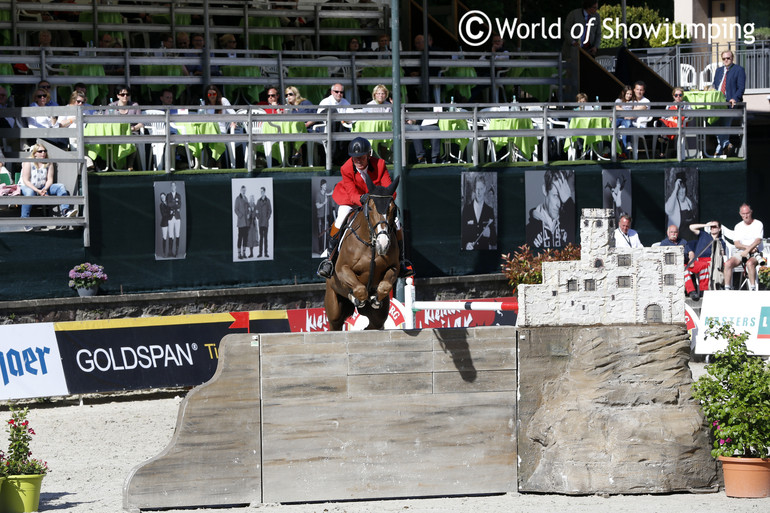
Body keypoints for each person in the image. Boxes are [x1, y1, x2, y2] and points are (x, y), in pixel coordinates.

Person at [316, 137, 413, 279]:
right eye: (355, 158)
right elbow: (351, 192)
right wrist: (364, 199)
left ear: (368, 155)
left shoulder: (379, 164)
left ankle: (402, 261)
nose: (358, 161)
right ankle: (329, 260)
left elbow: (389, 188)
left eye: (361, 157)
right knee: (340, 218)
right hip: (351, 200)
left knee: (397, 222)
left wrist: (379, 199)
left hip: (376, 202)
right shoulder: (346, 168)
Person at [19, 143, 73, 221]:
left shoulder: (48, 162)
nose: (43, 153)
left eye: (45, 151)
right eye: (40, 151)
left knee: (60, 187)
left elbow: (50, 179)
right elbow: (26, 180)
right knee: (30, 193)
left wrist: (44, 189)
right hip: (28, 186)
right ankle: (24, 219)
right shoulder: (28, 162)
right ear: (35, 154)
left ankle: (65, 210)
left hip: (43, 187)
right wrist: (38, 191)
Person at [526, 170, 574, 250]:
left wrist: (568, 202)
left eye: (563, 198)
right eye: (555, 196)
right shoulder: (530, 230)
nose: (559, 204)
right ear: (545, 190)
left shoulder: (569, 223)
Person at [722, 203, 764, 290]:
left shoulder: (758, 224)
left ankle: (753, 288)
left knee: (750, 263)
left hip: (756, 252)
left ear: (751, 212)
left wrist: (748, 250)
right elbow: (737, 243)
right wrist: (747, 249)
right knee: (728, 264)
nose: (745, 216)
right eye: (743, 214)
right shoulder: (738, 226)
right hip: (742, 252)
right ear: (740, 214)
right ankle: (727, 288)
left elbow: (758, 240)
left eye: (747, 213)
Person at [712, 50, 745, 157]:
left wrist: (734, 98)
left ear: (732, 58)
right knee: (712, 122)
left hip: (729, 102)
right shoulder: (718, 70)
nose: (726, 60)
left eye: (728, 58)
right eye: (724, 58)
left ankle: (719, 151)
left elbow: (741, 88)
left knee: (725, 124)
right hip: (717, 102)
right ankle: (726, 144)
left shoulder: (739, 70)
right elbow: (715, 85)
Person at [685, 221, 727, 300]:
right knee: (687, 267)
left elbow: (721, 256)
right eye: (711, 227)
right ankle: (696, 291)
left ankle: (705, 291)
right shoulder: (704, 235)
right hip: (698, 260)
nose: (712, 228)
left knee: (710, 266)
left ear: (719, 228)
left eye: (715, 226)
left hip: (712, 261)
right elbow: (691, 227)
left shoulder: (721, 242)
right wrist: (707, 225)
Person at [312, 83, 352, 164]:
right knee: (332, 113)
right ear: (332, 92)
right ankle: (335, 157)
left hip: (342, 128)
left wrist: (343, 120)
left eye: (341, 92)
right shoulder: (325, 102)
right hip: (327, 128)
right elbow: (321, 118)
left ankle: (338, 158)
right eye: (336, 92)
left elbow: (351, 118)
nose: (339, 94)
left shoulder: (345, 102)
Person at [109, 85, 144, 171]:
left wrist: (133, 128)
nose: (125, 96)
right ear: (117, 96)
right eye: (122, 94)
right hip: (116, 133)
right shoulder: (112, 106)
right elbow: (107, 121)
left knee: (133, 140)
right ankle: (115, 165)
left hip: (132, 132)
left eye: (127, 94)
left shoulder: (135, 105)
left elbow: (141, 123)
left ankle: (129, 165)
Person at [462, 175, 497, 250]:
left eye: (481, 189)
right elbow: (461, 235)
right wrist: (466, 244)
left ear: (484, 189)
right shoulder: (466, 210)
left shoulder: (489, 211)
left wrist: (490, 234)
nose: (479, 192)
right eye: (477, 189)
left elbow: (494, 241)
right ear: (474, 190)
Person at [284, 86, 314, 166]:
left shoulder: (305, 103)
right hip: (295, 130)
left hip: (308, 129)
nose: (288, 97)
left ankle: (299, 156)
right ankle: (295, 156)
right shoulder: (289, 108)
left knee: (295, 126)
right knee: (293, 127)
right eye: (286, 95)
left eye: (290, 94)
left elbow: (316, 116)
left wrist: (307, 124)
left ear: (296, 94)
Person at [656, 87, 689, 157]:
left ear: (682, 96)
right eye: (676, 95)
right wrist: (670, 118)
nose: (678, 97)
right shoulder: (670, 105)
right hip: (669, 123)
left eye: (680, 95)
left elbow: (689, 116)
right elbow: (664, 116)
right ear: (673, 96)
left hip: (679, 124)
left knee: (662, 129)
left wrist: (678, 119)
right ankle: (664, 139)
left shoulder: (685, 105)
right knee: (661, 123)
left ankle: (662, 152)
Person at [315, 179, 334, 254]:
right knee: (321, 233)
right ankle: (320, 250)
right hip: (321, 216)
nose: (326, 186)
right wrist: (324, 203)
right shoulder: (318, 194)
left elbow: (330, 193)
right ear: (321, 186)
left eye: (326, 185)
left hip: (327, 215)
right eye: (325, 185)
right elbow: (317, 206)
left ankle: (326, 249)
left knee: (327, 232)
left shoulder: (325, 193)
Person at [614, 85, 634, 150]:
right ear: (623, 93)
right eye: (627, 93)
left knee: (628, 125)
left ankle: (627, 144)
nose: (629, 96)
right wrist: (627, 112)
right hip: (619, 118)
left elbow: (634, 112)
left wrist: (629, 116)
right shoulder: (618, 100)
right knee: (611, 126)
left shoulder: (633, 102)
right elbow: (617, 108)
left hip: (627, 119)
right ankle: (608, 147)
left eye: (630, 94)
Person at [256, 187, 272, 258]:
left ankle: (266, 253)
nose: (261, 192)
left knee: (265, 238)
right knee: (261, 238)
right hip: (260, 222)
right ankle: (260, 253)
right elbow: (256, 210)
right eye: (260, 191)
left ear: (264, 192)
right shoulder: (258, 201)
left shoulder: (268, 200)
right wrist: (258, 217)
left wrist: (267, 218)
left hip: (265, 222)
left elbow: (270, 210)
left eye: (262, 191)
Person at [167, 182, 182, 257]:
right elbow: (168, 205)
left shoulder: (178, 195)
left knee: (177, 234)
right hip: (170, 218)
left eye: (174, 185)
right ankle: (170, 252)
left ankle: (176, 251)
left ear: (176, 187)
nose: (173, 187)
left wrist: (173, 205)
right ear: (170, 187)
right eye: (171, 186)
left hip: (177, 217)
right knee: (170, 235)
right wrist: (175, 204)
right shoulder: (168, 195)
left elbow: (179, 205)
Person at [234, 185, 250, 260]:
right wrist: (241, 215)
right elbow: (235, 209)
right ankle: (239, 254)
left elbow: (248, 208)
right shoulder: (238, 199)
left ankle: (244, 253)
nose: (244, 191)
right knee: (240, 237)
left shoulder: (246, 198)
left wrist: (249, 214)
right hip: (241, 222)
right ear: (240, 190)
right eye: (243, 190)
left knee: (245, 237)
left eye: (245, 190)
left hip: (246, 222)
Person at [158, 192, 171, 257]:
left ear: (165, 196)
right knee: (164, 238)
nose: (163, 198)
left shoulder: (169, 203)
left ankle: (170, 252)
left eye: (163, 196)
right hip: (164, 223)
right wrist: (170, 213)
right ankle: (164, 253)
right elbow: (163, 214)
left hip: (170, 222)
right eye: (161, 197)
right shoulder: (161, 205)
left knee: (170, 237)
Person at [247, 194, 259, 259]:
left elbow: (257, 215)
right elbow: (247, 215)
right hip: (249, 224)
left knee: (254, 238)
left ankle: (252, 253)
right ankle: (250, 253)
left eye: (253, 199)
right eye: (251, 199)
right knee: (249, 238)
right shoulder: (247, 205)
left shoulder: (255, 205)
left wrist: (255, 212)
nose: (252, 200)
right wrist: (250, 211)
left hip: (254, 223)